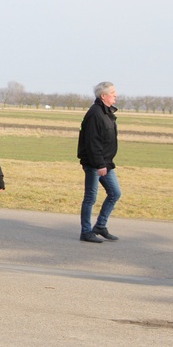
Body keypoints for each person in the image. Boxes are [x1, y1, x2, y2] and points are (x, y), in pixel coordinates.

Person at [78, 81, 121, 243]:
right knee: (90, 197)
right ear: (103, 96)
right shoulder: (95, 113)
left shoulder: (106, 112)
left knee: (115, 193)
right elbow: (92, 142)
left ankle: (100, 226)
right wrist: (99, 164)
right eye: (112, 93)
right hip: (95, 164)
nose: (115, 95)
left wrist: (105, 163)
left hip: (106, 163)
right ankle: (86, 231)